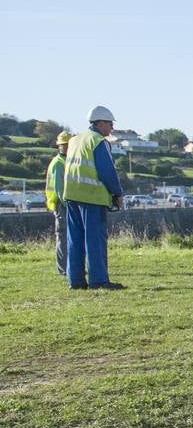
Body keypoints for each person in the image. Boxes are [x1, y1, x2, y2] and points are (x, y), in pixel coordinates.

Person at [64, 106, 125, 290]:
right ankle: (98, 281)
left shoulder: (74, 140)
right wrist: (118, 193)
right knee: (95, 241)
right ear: (101, 123)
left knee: (75, 240)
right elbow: (107, 172)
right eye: (110, 124)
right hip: (92, 197)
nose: (112, 129)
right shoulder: (98, 141)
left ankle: (75, 281)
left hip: (72, 195)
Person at [44, 131, 71, 276]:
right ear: (59, 146)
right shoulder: (59, 163)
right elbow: (61, 190)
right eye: (64, 145)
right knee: (63, 238)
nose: (66, 147)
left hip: (64, 205)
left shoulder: (65, 161)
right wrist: (70, 206)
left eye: (68, 145)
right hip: (62, 205)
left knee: (66, 237)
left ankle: (68, 268)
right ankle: (63, 270)